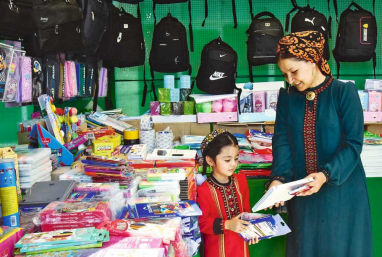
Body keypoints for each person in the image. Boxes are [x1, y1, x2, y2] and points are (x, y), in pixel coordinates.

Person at [266, 31, 372, 257]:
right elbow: (282, 143)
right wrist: (278, 179)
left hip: (341, 192)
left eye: (293, 71)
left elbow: (353, 144)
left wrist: (325, 175)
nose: (290, 80)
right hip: (303, 196)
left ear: (312, 60)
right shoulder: (287, 98)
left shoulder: (343, 93)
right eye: (284, 74)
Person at [197, 129, 259, 257]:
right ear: (210, 160)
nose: (233, 164)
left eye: (236, 159)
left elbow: (246, 213)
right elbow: (201, 222)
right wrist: (227, 224)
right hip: (216, 250)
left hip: (241, 246)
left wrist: (252, 230)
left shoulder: (241, 181)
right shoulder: (204, 190)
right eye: (227, 160)